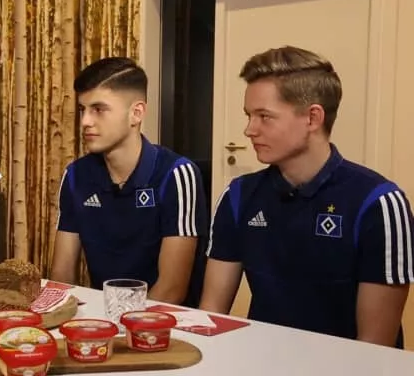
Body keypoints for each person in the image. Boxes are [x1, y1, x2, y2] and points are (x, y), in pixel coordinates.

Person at [199, 46, 413, 347]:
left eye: (264, 116)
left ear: (313, 118)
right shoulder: (238, 196)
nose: (249, 130)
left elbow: (375, 346)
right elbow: (211, 315)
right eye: (249, 115)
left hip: (348, 366)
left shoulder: (378, 203)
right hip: (261, 360)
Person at [49, 56, 209, 306]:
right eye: (82, 110)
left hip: (167, 321)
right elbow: (62, 275)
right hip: (104, 316)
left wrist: (121, 325)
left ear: (136, 113)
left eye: (98, 109)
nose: (85, 122)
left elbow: (171, 290)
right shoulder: (76, 176)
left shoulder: (176, 174)